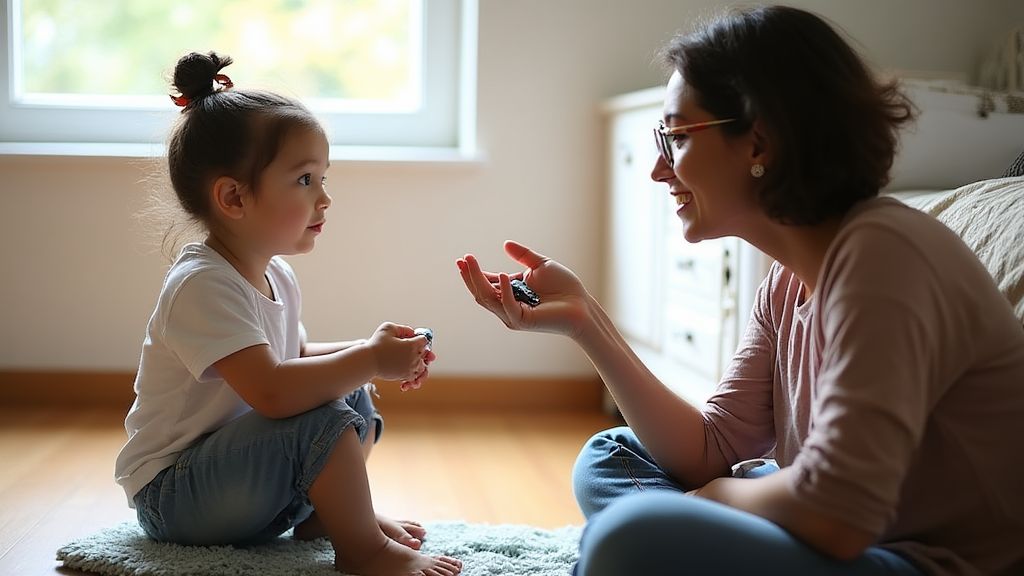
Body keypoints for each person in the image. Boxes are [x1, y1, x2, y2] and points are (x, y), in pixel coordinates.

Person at [457, 6, 1024, 576]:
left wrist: (713, 504)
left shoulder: (884, 252)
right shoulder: (785, 280)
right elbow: (711, 449)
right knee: (613, 456)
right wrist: (586, 321)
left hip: (918, 560)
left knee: (631, 534)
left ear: (759, 143)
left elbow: (839, 515)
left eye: (676, 136)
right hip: (839, 531)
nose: (659, 168)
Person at [114, 51, 462, 576]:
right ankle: (362, 549)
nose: (324, 199)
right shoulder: (202, 284)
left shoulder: (275, 273)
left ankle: (328, 518)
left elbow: (294, 357)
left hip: (241, 481)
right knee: (325, 406)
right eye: (305, 180)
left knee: (346, 389)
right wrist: (369, 358)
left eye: (322, 179)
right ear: (234, 197)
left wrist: (370, 352)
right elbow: (274, 392)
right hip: (177, 497)